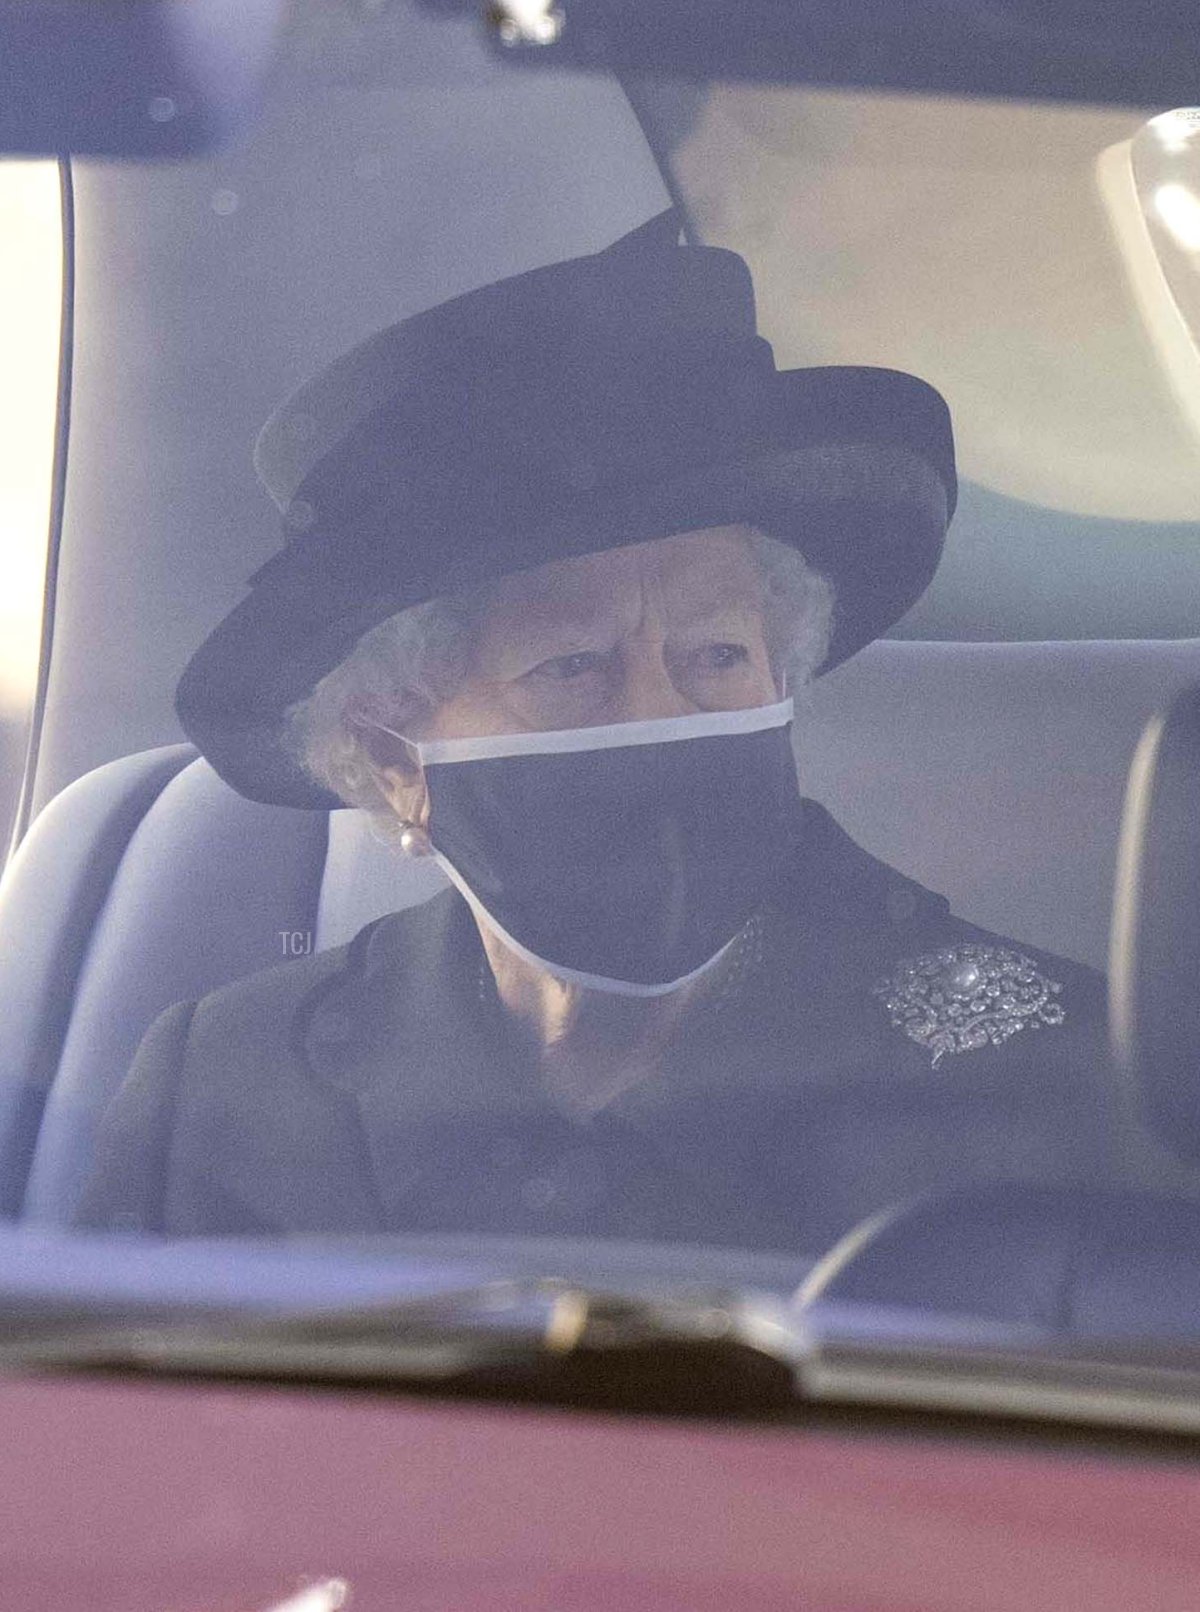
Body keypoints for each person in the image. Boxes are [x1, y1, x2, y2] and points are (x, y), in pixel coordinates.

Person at [74, 213, 1126, 1250]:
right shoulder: (224, 1080)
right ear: (395, 762)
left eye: (715, 657)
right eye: (571, 666)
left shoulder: (1053, 1076)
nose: (663, 715)